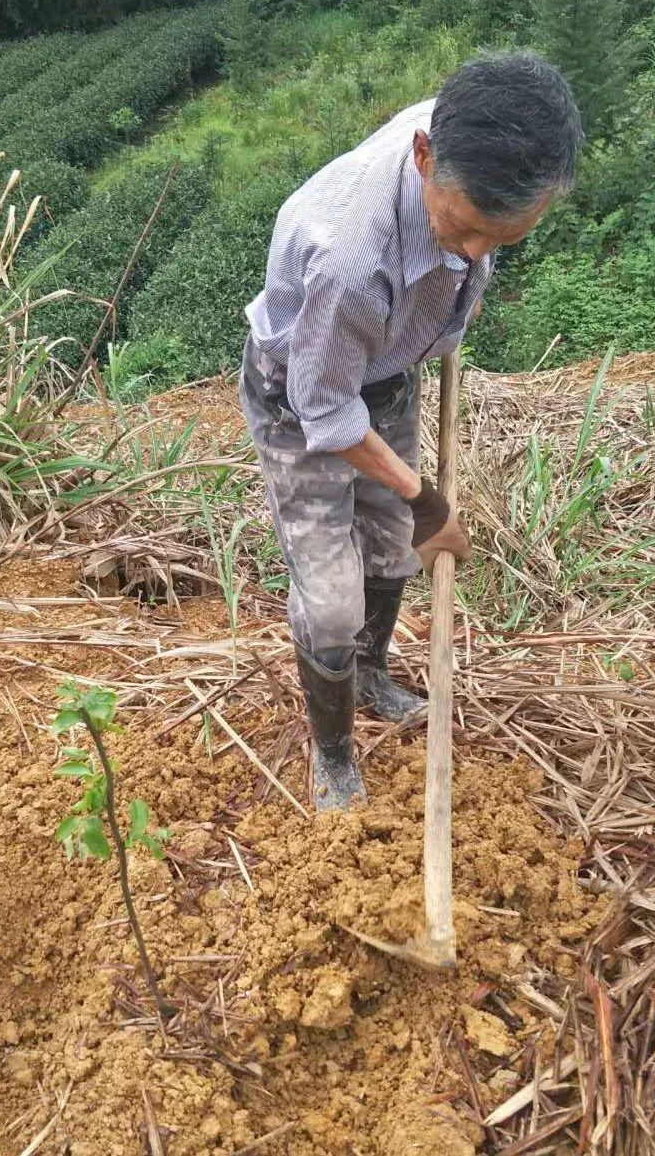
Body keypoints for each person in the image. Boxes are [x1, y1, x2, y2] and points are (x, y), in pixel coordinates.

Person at [239, 52, 583, 809]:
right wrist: (426, 499)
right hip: (303, 401)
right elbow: (327, 410)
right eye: (463, 229)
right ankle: (332, 755)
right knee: (332, 602)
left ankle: (371, 674)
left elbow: (468, 246)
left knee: (391, 550)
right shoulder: (346, 260)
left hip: (385, 370)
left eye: (502, 239)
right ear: (422, 155)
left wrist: (461, 297)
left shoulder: (473, 128)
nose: (475, 253)